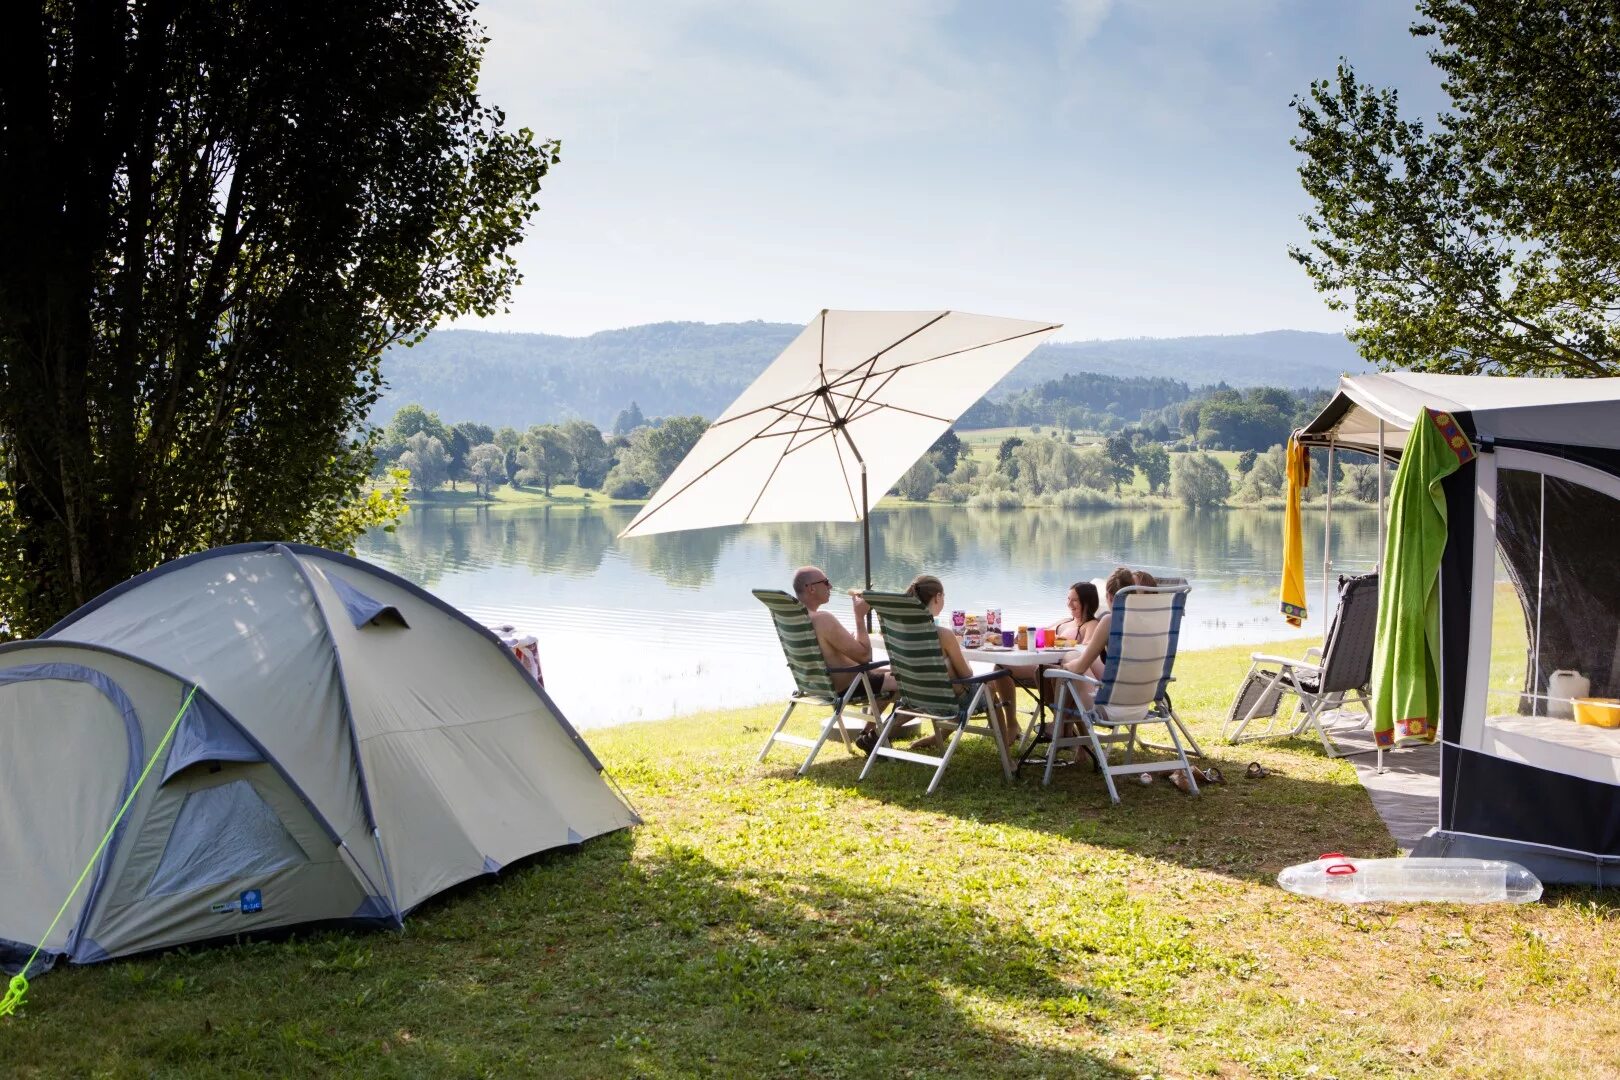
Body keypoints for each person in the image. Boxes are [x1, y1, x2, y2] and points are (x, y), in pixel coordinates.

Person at [876, 574, 1021, 752]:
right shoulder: (943, 635)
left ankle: (938, 738)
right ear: (937, 597)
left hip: (915, 697)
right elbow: (967, 676)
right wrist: (958, 655)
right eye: (943, 596)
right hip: (948, 702)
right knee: (989, 686)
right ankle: (1007, 756)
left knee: (950, 669)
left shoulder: (897, 631)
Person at [792, 565, 874, 693]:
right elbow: (865, 657)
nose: (830, 586)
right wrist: (860, 616)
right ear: (811, 588)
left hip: (815, 686)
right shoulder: (822, 619)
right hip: (847, 685)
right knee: (906, 685)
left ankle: (874, 714)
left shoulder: (795, 619)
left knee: (889, 675)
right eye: (826, 582)